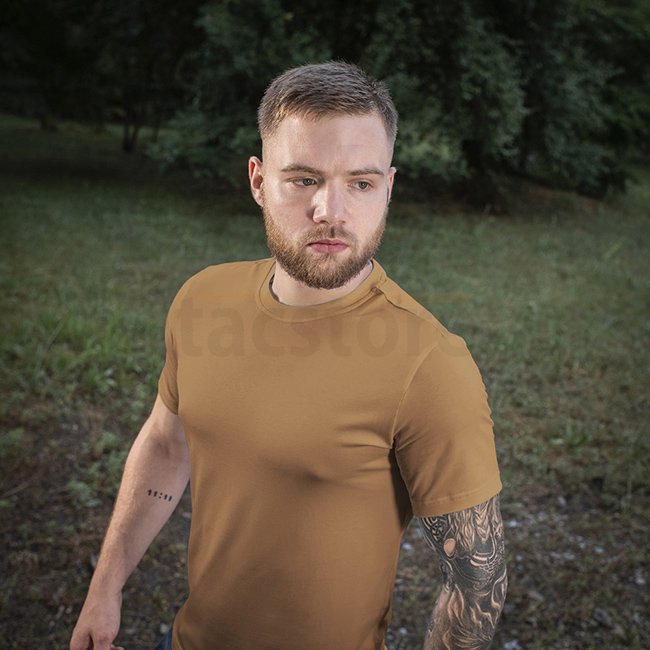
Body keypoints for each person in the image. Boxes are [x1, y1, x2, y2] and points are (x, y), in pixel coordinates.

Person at [70, 61, 507, 650]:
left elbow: (477, 580)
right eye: (303, 179)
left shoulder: (430, 363)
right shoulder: (202, 299)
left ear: (388, 187)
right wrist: (105, 586)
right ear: (258, 181)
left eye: (361, 183)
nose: (331, 210)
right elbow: (167, 445)